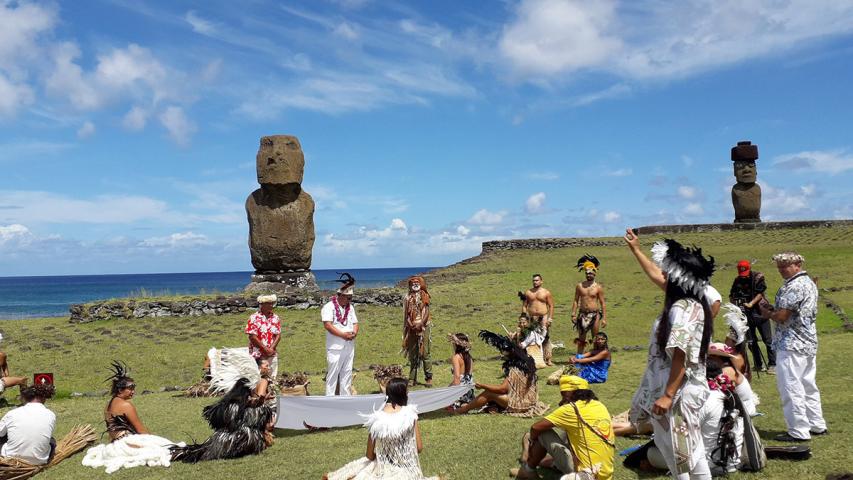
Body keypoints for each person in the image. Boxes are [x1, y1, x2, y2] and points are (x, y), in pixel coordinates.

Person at [624, 229, 715, 479]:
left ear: (678, 278)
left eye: (668, 270)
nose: (662, 273)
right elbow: (657, 276)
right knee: (681, 452)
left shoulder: (682, 310)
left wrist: (668, 394)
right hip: (676, 389)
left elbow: (680, 354)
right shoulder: (691, 302)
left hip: (678, 392)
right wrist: (636, 250)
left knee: (684, 452)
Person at [758, 251, 827, 442]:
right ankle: (817, 424)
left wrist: (768, 314)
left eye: (785, 266)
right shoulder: (808, 283)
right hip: (807, 340)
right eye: (779, 266)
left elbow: (782, 317)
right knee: (807, 384)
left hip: (791, 342)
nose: (781, 270)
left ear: (797, 264)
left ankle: (798, 430)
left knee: (791, 386)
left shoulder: (794, 286)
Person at [324, 378, 439, 480]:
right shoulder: (410, 415)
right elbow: (418, 448)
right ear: (403, 395)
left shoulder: (376, 419)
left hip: (383, 467)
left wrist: (382, 456)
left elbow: (369, 455)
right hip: (406, 471)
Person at [83, 362, 180, 473]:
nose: (133, 391)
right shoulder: (126, 405)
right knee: (167, 447)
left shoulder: (108, 405)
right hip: (127, 443)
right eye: (130, 388)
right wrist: (152, 439)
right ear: (120, 390)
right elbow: (141, 431)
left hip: (114, 444)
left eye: (134, 388)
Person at [512, 375, 615, 480]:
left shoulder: (571, 409)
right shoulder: (600, 406)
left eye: (562, 394)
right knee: (569, 434)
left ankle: (528, 470)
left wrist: (532, 442)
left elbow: (536, 428)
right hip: (605, 473)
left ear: (568, 393)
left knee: (543, 433)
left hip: (585, 475)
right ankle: (538, 463)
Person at [170, 361, 275, 462]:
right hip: (234, 442)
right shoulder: (238, 408)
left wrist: (258, 403)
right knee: (252, 436)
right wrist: (261, 404)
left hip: (222, 440)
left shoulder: (228, 406)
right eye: (251, 391)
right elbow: (261, 419)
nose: (252, 393)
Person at [453, 331, 548, 417]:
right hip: (529, 401)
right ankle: (493, 407)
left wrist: (483, 385)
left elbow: (502, 389)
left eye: (504, 352)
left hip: (520, 404)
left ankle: (462, 409)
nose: (502, 355)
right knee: (493, 395)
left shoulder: (515, 369)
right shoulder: (527, 364)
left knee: (489, 393)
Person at [729, 260, 774, 374]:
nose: (744, 276)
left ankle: (773, 364)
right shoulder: (737, 280)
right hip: (745, 314)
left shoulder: (758, 277)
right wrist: (736, 306)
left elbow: (760, 294)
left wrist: (751, 303)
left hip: (760, 313)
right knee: (751, 341)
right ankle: (758, 364)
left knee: (767, 340)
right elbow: (732, 295)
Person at [0, 383, 56, 466]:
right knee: (51, 440)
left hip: (11, 458)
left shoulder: (12, 413)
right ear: (44, 398)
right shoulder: (51, 415)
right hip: (39, 460)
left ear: (25, 398)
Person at [323, 273, 359, 396]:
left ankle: (345, 398)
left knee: (347, 372)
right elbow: (328, 325)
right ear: (340, 295)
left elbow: (355, 322)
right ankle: (330, 398)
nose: (349, 300)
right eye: (347, 298)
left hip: (349, 345)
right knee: (333, 373)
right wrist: (343, 335)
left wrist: (354, 333)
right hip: (335, 346)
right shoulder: (329, 307)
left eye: (351, 298)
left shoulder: (351, 308)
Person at [571, 255, 607, 354]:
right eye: (587, 273)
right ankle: (579, 358)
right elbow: (575, 300)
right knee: (581, 337)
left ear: (595, 274)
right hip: (582, 314)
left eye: (591, 273)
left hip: (595, 314)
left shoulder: (598, 287)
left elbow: (602, 303)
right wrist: (573, 314)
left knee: (596, 337)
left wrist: (604, 318)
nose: (589, 275)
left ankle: (596, 357)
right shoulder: (580, 286)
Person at [403, 276, 432, 387]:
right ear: (410, 286)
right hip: (412, 328)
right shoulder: (407, 298)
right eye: (413, 283)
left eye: (417, 282)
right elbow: (407, 314)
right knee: (413, 354)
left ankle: (428, 377)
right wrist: (411, 325)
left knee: (425, 353)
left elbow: (427, 312)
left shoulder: (425, 296)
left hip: (424, 327)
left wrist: (421, 324)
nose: (415, 284)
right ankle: (412, 379)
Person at [521, 274, 555, 365]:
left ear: (541, 281)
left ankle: (548, 358)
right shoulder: (528, 292)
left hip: (543, 316)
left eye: (537, 280)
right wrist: (523, 317)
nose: (535, 282)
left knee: (545, 337)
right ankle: (533, 357)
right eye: (534, 280)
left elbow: (551, 306)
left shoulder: (546, 292)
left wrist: (550, 318)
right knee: (530, 337)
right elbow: (524, 306)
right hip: (531, 317)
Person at [246, 293, 281, 379]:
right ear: (262, 305)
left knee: (272, 377)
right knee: (258, 378)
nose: (271, 305)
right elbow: (252, 336)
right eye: (269, 303)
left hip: (271, 353)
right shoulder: (254, 318)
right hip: (257, 354)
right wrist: (265, 349)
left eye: (272, 303)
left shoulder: (275, 317)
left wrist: (271, 349)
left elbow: (278, 335)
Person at [447, 333, 474, 409]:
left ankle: (460, 403)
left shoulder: (456, 357)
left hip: (460, 391)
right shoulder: (469, 357)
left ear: (456, 344)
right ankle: (467, 403)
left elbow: (457, 378)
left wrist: (450, 394)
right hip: (469, 392)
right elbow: (469, 377)